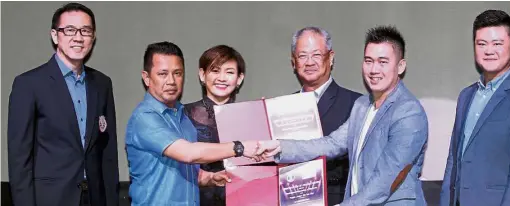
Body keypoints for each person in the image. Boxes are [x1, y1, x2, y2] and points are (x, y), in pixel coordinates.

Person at [258, 26, 428, 206]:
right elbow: (331, 144)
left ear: (400, 66)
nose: (374, 69)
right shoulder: (362, 105)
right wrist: (278, 147)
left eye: (382, 62)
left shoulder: (408, 111)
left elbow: (387, 177)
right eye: (368, 61)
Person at [7, 3, 119, 206]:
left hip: (94, 198)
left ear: (93, 37)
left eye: (85, 31)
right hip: (49, 199)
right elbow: (19, 159)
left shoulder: (102, 84)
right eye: (69, 30)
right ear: (55, 35)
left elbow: (108, 153)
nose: (78, 37)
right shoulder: (29, 84)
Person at [126, 41, 262, 206]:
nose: (171, 81)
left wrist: (210, 178)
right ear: (147, 78)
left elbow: (184, 171)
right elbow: (188, 153)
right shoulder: (145, 118)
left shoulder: (182, 114)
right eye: (163, 74)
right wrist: (239, 147)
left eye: (177, 73)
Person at [440, 10, 510, 206]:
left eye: (497, 43)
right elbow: (453, 162)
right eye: (482, 44)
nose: (489, 51)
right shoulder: (466, 96)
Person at [289, 26, 362, 205]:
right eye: (302, 56)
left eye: (316, 55)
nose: (309, 62)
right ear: (293, 62)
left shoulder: (357, 104)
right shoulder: (282, 107)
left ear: (330, 57)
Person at [184, 44, 246, 206]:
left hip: (242, 198)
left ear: (239, 79)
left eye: (230, 72)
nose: (222, 78)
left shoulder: (250, 115)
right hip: (195, 199)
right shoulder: (183, 115)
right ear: (202, 75)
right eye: (215, 70)